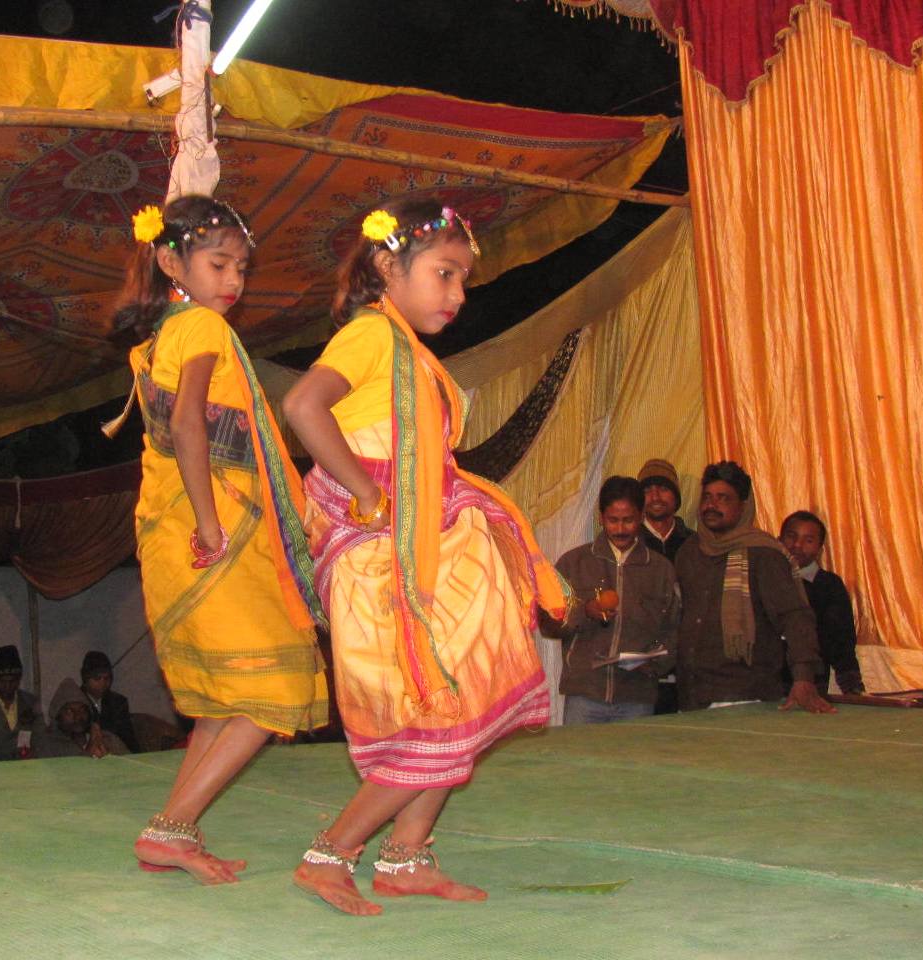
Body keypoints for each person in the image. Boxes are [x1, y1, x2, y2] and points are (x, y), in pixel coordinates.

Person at [283, 198, 568, 916]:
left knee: (462, 696)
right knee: (433, 709)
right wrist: (365, 493)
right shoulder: (372, 336)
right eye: (444, 273)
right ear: (388, 266)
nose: (458, 294)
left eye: (463, 278)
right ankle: (330, 854)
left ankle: (407, 857)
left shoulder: (407, 351)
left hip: (421, 542)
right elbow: (303, 407)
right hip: (382, 553)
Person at [118, 195, 329, 883]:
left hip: (174, 525)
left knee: (221, 700)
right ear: (170, 261)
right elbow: (188, 426)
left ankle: (171, 832)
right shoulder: (202, 327)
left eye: (241, 266)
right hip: (212, 530)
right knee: (275, 690)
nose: (234, 280)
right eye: (218, 263)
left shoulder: (161, 336)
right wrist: (211, 524)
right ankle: (171, 828)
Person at [672, 461, 834, 713]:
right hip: (690, 694)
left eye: (723, 498)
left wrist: (803, 678)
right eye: (707, 497)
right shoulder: (688, 552)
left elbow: (794, 617)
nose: (711, 505)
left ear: (743, 506)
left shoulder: (764, 554)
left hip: (745, 695)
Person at [539, 476, 678, 723]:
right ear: (601, 518)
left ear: (641, 516)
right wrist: (585, 611)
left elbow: (673, 629)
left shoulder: (660, 569)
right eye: (613, 520)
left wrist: (653, 663)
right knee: (579, 751)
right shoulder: (574, 563)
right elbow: (547, 624)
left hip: (637, 695)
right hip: (585, 694)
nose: (621, 529)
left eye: (629, 520)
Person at [779, 510, 864, 696]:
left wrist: (852, 687)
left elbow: (841, 641)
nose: (797, 545)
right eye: (791, 537)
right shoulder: (765, 580)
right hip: (763, 685)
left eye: (808, 540)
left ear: (819, 548)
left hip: (811, 686)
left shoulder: (828, 586)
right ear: (779, 540)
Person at [31, 678, 113, 759]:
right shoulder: (48, 744)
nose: (78, 716)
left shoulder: (108, 739)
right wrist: (91, 747)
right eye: (69, 712)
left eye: (82, 710)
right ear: (57, 715)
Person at [78, 651, 139, 755]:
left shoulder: (118, 702)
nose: (103, 683)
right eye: (97, 678)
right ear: (85, 679)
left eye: (107, 678)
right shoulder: (76, 703)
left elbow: (128, 738)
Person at [635, 458, 693, 563]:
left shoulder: (694, 543)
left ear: (676, 497)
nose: (655, 497)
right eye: (647, 490)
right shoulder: (629, 541)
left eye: (663, 489)